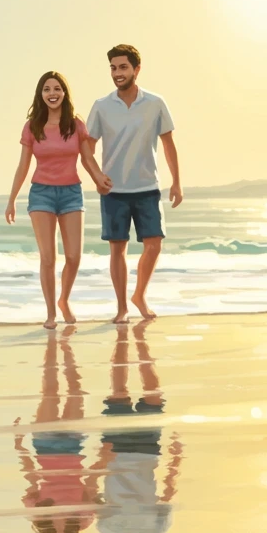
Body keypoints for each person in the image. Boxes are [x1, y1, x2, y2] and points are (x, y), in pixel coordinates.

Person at [84, 45, 182, 324]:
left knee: (154, 244)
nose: (117, 73)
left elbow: (168, 145)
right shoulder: (102, 106)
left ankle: (139, 295)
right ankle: (121, 308)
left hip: (147, 187)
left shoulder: (155, 103)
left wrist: (177, 182)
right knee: (118, 248)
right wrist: (96, 176)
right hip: (113, 190)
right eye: (113, 68)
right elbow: (86, 148)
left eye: (123, 67)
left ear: (136, 69)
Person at [6, 71, 111, 329]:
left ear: (64, 93)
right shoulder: (32, 126)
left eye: (57, 88)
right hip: (41, 193)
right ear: (40, 95)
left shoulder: (75, 124)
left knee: (74, 257)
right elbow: (22, 166)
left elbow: (87, 158)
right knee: (48, 258)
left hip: (71, 193)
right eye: (46, 89)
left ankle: (64, 300)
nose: (52, 93)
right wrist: (12, 200)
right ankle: (51, 312)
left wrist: (99, 178)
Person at [91, 320, 185, 533]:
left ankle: (122, 337)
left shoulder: (107, 530)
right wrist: (175, 458)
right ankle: (141, 342)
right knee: (153, 396)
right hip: (147, 453)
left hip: (116, 452)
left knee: (118, 393)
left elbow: (92, 493)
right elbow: (168, 492)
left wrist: (101, 460)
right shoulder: (156, 530)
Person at [14, 326, 99, 533]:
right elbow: (92, 482)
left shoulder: (39, 518)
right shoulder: (83, 521)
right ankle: (66, 345)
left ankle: (51, 344)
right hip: (74, 447)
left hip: (45, 447)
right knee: (75, 392)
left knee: (49, 392)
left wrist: (20, 446)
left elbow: (31, 477)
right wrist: (104, 450)